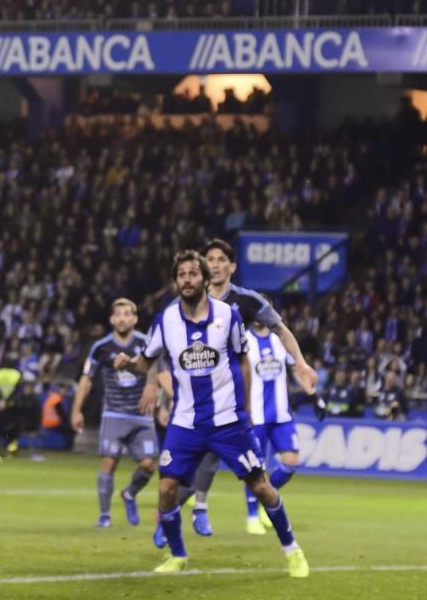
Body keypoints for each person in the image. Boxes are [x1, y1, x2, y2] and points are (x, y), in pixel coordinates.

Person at [114, 250, 309, 578]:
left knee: (260, 485)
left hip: (228, 421)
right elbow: (145, 364)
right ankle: (178, 555)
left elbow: (244, 361)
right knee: (166, 489)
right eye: (181, 275)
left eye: (193, 274)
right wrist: (129, 364)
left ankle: (293, 551)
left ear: (204, 279)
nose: (187, 280)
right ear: (176, 281)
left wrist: (244, 409)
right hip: (186, 422)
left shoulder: (228, 315)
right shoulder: (166, 320)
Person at [183, 239, 319, 536]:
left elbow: (281, 330)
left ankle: (206, 510)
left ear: (232, 267)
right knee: (184, 470)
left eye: (222, 260)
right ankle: (172, 515)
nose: (215, 264)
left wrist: (301, 363)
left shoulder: (248, 301)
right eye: (210, 259)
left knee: (236, 464)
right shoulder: (189, 300)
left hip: (233, 398)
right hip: (196, 392)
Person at [71, 299, 158, 528]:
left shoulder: (146, 343)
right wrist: (76, 410)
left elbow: (158, 370)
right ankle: (105, 516)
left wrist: (161, 399)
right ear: (112, 319)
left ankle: (129, 493)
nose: (122, 318)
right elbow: (86, 380)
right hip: (114, 413)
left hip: (141, 413)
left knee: (149, 464)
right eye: (118, 314)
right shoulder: (101, 347)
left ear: (135, 319)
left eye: (127, 314)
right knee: (110, 462)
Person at [243, 322, 326, 535]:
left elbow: (295, 369)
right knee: (255, 469)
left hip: (281, 415)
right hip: (256, 417)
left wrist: (313, 395)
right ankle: (252, 517)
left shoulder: (280, 340)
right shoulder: (244, 339)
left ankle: (265, 499)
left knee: (291, 462)